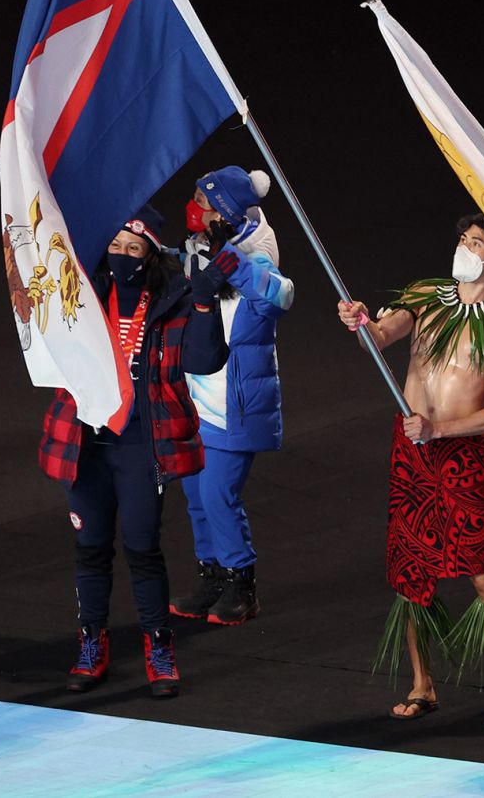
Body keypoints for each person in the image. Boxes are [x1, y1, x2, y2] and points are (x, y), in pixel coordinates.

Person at [337, 214, 484, 729]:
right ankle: (422, 684)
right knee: (411, 570)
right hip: (411, 451)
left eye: (475, 242)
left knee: (483, 571)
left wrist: (439, 431)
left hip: (459, 453)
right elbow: (379, 336)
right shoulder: (424, 296)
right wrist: (361, 323)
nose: (463, 247)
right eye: (462, 239)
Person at [40, 205, 230, 697]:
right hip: (86, 444)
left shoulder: (174, 296)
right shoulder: (78, 291)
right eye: (116, 245)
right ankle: (91, 644)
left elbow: (203, 361)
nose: (123, 255)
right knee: (91, 547)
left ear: (151, 253)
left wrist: (206, 307)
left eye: (134, 248)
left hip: (142, 443)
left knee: (143, 547)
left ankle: (159, 648)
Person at [169, 166, 294, 626]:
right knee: (196, 495)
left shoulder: (258, 256)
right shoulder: (201, 249)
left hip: (234, 401)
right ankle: (212, 576)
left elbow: (279, 297)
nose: (193, 206)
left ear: (223, 215)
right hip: (195, 396)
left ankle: (241, 583)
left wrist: (228, 259)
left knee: (219, 493)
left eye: (202, 201)